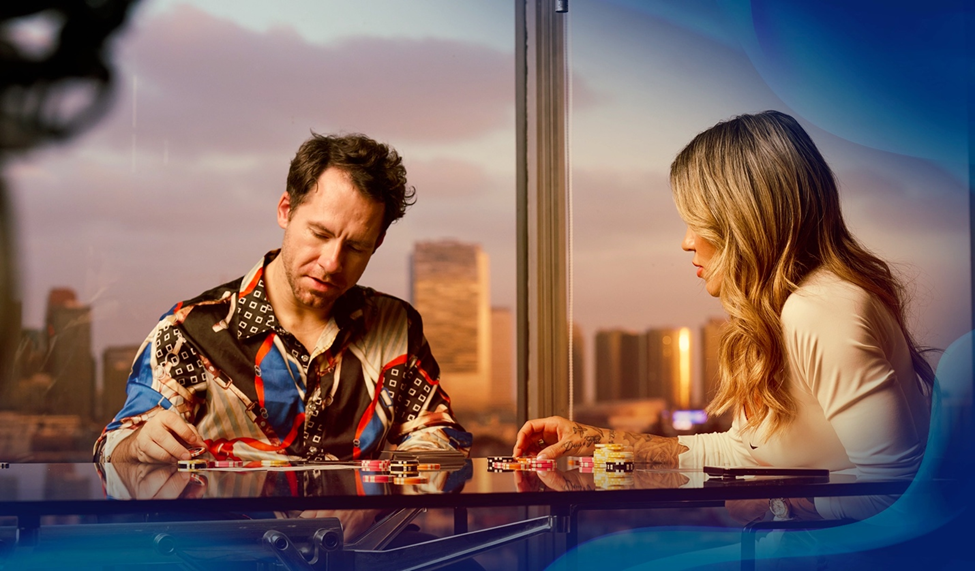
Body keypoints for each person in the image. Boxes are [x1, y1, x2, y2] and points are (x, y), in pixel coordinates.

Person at [514, 110, 934, 521]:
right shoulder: (790, 313)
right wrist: (594, 440)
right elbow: (736, 453)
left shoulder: (821, 311)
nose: (686, 242)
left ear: (744, 219)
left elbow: (893, 491)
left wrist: (776, 505)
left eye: (698, 222)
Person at [95, 132, 471, 480]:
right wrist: (139, 445)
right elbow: (112, 449)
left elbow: (441, 438)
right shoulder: (188, 331)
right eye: (319, 234)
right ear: (285, 210)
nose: (331, 262)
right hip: (231, 549)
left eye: (356, 246)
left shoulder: (396, 325)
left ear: (378, 242)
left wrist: (375, 490)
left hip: (358, 548)